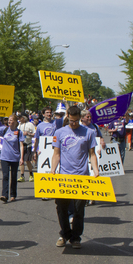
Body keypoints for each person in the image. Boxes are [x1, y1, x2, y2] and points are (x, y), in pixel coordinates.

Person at [51, 106, 98, 249]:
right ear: (67, 117)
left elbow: (92, 154)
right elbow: (56, 154)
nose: (74, 124)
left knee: (79, 209)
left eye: (77, 121)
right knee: (61, 208)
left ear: (81, 118)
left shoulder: (89, 132)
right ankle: (65, 234)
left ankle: (76, 237)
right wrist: (53, 170)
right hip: (64, 177)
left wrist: (95, 170)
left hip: (81, 177)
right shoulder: (59, 132)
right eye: (71, 121)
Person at [0, 114, 24, 202]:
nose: (9, 121)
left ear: (15, 122)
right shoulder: (4, 129)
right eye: (9, 120)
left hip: (15, 157)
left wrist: (21, 158)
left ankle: (13, 194)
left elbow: (21, 146)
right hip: (4, 157)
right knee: (5, 176)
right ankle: (4, 195)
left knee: (13, 176)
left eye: (11, 120)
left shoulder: (19, 132)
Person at [17, 114, 36, 182]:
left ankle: (31, 174)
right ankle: (22, 175)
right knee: (21, 161)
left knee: (27, 160)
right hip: (20, 144)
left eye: (20, 117)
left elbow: (35, 133)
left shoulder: (30, 124)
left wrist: (28, 133)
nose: (19, 119)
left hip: (28, 144)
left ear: (24, 118)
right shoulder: (18, 125)